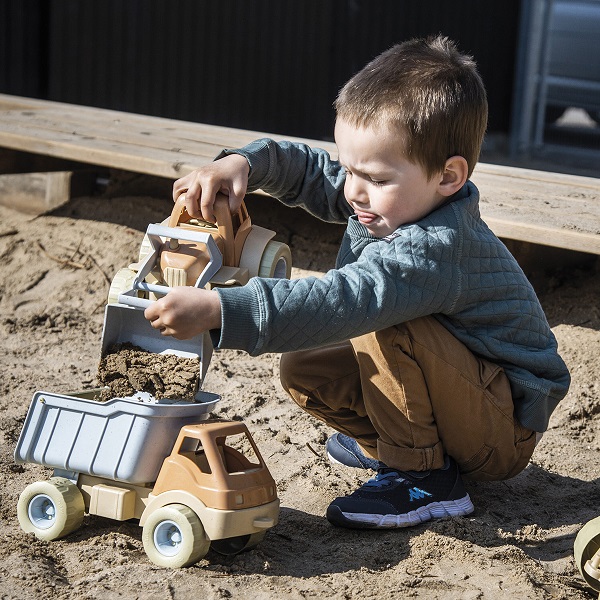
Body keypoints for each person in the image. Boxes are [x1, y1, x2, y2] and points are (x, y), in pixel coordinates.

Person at [144, 35, 570, 529]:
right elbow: (307, 170)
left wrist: (223, 309)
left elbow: (345, 299)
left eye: (375, 178)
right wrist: (243, 163)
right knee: (306, 367)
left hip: (504, 424)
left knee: (385, 320)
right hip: (463, 396)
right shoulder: (389, 195)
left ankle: (425, 477)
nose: (353, 191)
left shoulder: (436, 246)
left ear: (449, 177)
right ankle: (395, 445)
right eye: (349, 169)